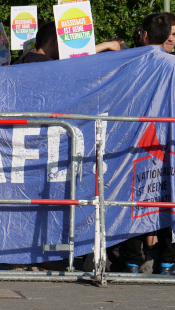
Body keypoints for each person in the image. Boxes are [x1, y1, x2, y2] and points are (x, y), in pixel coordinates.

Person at [123, 12, 174, 275]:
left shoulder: (127, 62)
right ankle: (167, 260)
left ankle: (132, 260)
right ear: (167, 36)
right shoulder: (172, 65)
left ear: (143, 35)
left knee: (135, 200)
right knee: (166, 194)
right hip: (166, 141)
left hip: (132, 142)